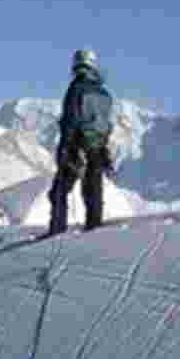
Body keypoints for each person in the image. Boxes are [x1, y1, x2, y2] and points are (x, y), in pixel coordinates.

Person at [48, 48, 115, 235]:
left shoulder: (76, 89)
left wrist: (65, 148)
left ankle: (57, 230)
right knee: (93, 191)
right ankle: (94, 229)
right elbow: (106, 124)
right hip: (98, 147)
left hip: (76, 146)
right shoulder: (104, 93)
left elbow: (71, 121)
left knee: (59, 191)